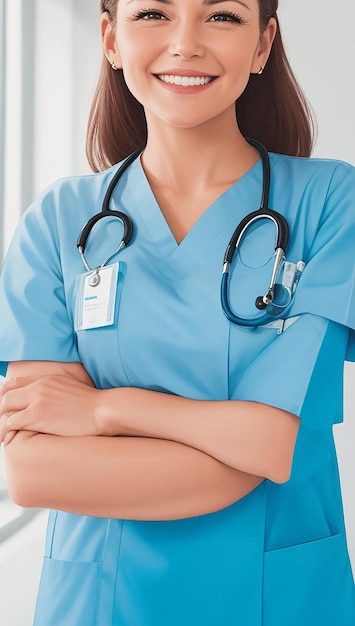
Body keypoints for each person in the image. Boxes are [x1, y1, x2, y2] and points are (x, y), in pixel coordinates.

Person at [0, 0, 354, 624]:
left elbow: (271, 445)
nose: (185, 43)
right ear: (110, 38)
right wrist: (223, 438)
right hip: (98, 602)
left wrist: (102, 409)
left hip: (277, 598)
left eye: (221, 16)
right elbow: (35, 471)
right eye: (154, 14)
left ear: (263, 44)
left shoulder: (331, 203)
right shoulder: (58, 221)